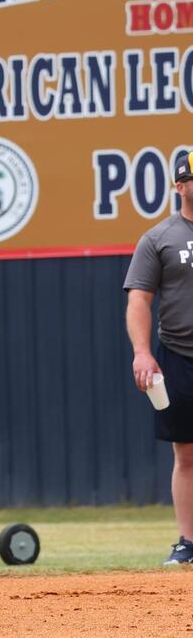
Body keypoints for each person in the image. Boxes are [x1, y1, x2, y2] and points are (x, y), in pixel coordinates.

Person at [124, 149, 193, 565]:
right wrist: (142, 353)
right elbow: (139, 299)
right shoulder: (159, 238)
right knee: (186, 453)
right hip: (180, 354)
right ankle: (188, 542)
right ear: (181, 185)